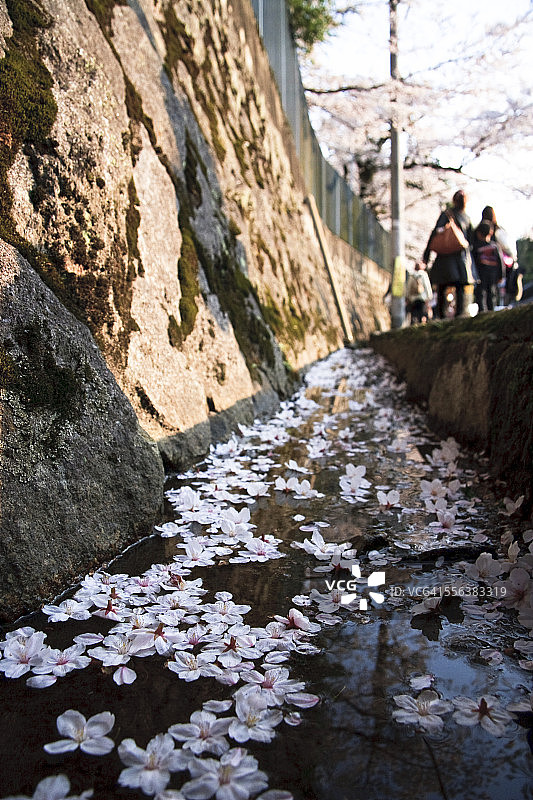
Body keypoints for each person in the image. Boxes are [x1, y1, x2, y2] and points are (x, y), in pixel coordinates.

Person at [422, 190, 474, 318]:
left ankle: (442, 315)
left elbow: (435, 234)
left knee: (443, 286)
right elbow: (471, 241)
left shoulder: (447, 214)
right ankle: (458, 314)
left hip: (446, 257)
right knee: (458, 286)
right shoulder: (466, 218)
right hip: (459, 257)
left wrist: (426, 256)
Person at [481, 206, 519, 305]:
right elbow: (508, 247)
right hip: (499, 264)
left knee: (487, 292)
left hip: (485, 266)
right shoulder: (499, 230)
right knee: (498, 290)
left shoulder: (480, 230)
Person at [471, 220, 504, 312]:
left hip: (481, 274)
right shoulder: (494, 246)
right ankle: (491, 310)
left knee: (481, 293)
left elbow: (473, 262)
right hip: (493, 274)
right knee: (491, 293)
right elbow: (500, 262)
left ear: (478, 233)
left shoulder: (476, 247)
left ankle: (483, 311)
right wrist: (501, 275)